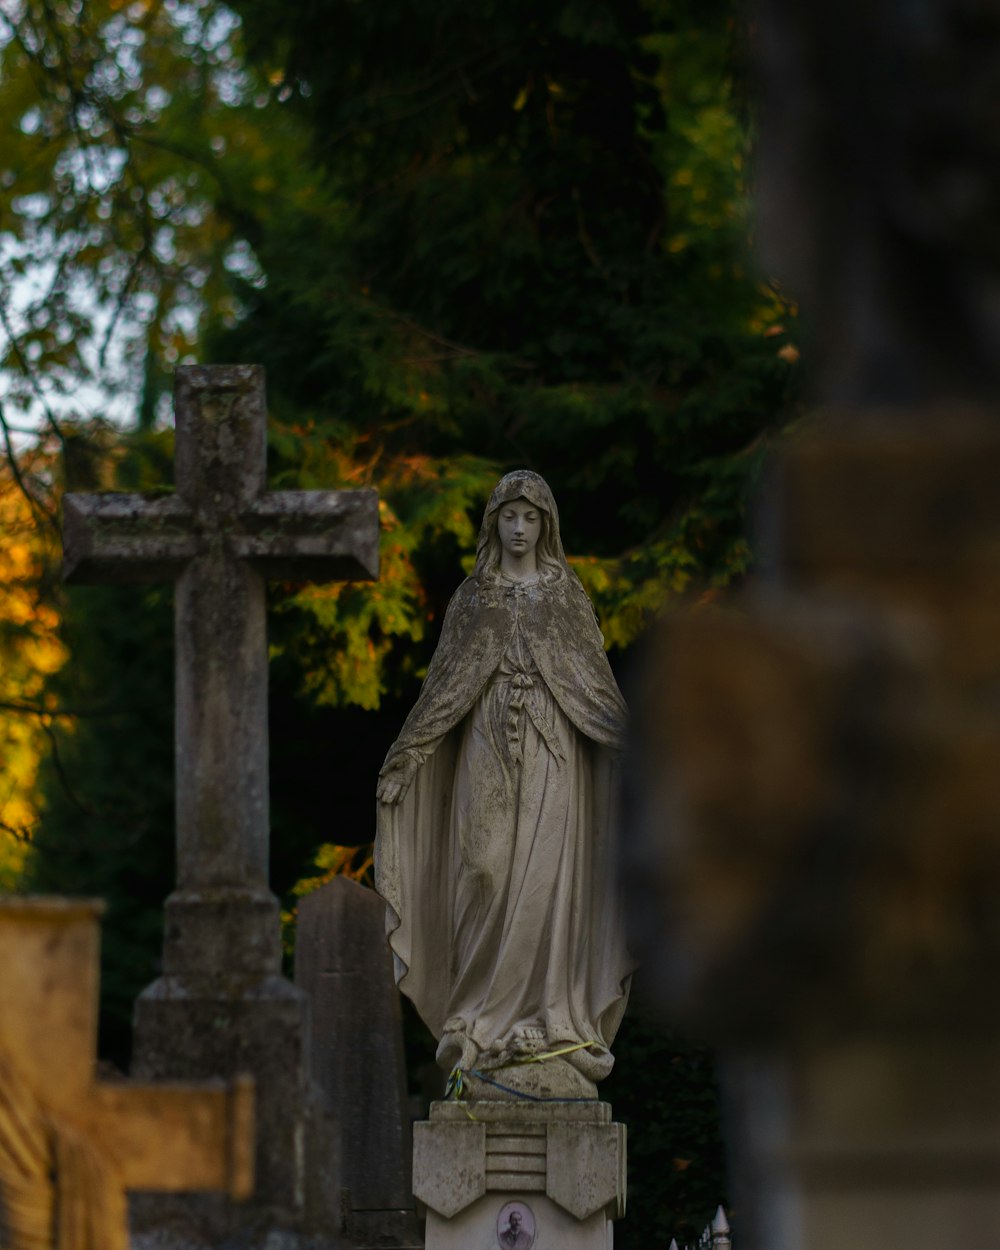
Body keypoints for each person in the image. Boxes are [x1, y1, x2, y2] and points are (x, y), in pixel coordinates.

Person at [375, 470, 631, 1080]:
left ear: (547, 525)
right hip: (487, 741)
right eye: (510, 517)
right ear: (494, 523)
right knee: (484, 868)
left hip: (553, 748)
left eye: (531, 517)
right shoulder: (474, 598)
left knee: (544, 881)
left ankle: (545, 1019)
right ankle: (470, 1016)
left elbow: (593, 687)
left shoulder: (565, 596)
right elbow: (443, 690)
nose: (520, 528)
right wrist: (407, 757)